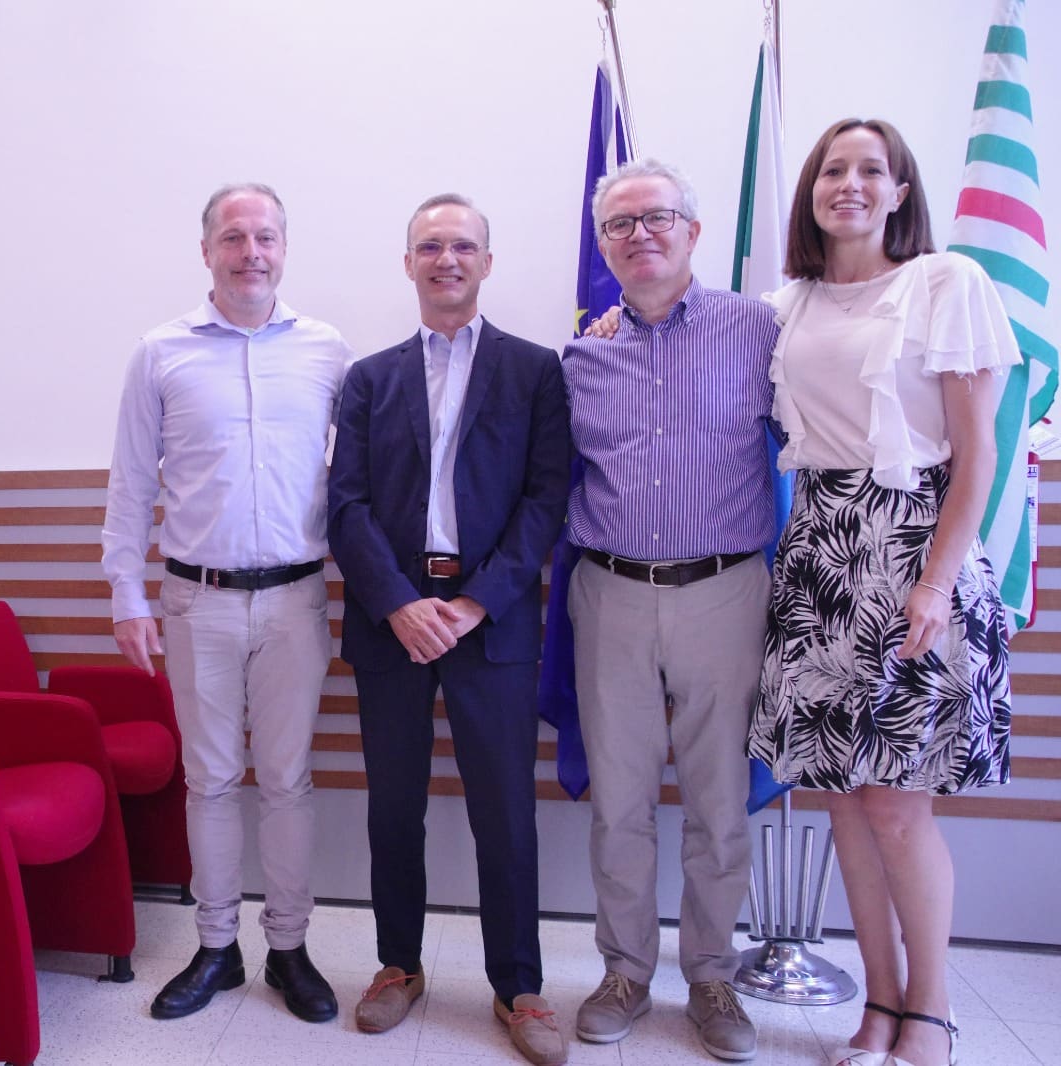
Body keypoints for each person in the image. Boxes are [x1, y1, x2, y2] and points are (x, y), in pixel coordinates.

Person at [747, 118, 1017, 1066]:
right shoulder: (784, 304)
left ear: (901, 192)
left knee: (899, 805)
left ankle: (931, 1014)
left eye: (872, 170)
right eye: (834, 168)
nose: (849, 183)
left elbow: (979, 454)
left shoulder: (947, 283)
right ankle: (880, 1002)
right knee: (843, 801)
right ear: (811, 190)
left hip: (914, 551)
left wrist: (938, 581)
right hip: (819, 550)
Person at [327, 194, 571, 1063]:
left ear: (487, 262)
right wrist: (399, 604)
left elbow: (547, 498)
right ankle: (398, 964)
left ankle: (519, 985)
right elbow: (346, 504)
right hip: (391, 616)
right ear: (409, 264)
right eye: (429, 246)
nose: (447, 259)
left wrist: (476, 602)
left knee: (504, 810)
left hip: (489, 617)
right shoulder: (369, 378)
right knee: (393, 806)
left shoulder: (534, 370)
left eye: (463, 245)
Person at [102, 183, 353, 1024]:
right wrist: (126, 593)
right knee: (208, 780)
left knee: (286, 780)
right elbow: (131, 484)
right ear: (206, 250)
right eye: (235, 237)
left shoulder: (327, 352)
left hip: (295, 600)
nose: (252, 252)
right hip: (195, 602)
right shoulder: (160, 353)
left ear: (285, 247)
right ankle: (216, 947)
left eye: (266, 236)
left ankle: (289, 948)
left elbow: (360, 476)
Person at [561, 158, 778, 1063]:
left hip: (726, 591)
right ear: (603, 245)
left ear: (692, 230)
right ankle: (624, 973)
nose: (640, 235)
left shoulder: (759, 329)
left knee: (718, 801)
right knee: (619, 804)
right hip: (609, 592)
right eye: (620, 224)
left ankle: (713, 977)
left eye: (658, 218)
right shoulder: (583, 354)